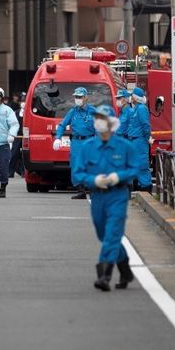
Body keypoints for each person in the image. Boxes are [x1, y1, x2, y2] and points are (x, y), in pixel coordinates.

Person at [70, 104, 138, 292]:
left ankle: (104, 275)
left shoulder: (125, 146)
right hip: (98, 196)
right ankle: (125, 270)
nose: (99, 122)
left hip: (117, 195)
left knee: (112, 233)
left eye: (103, 119)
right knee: (104, 234)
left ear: (111, 123)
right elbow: (78, 172)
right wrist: (93, 180)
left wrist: (118, 176)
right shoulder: (87, 147)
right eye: (97, 119)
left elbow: (135, 168)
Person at [53, 86, 97, 200]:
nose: (77, 99)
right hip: (77, 142)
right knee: (76, 165)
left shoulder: (93, 111)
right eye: (76, 97)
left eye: (80, 97)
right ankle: (81, 190)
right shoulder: (72, 112)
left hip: (90, 141)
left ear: (85, 97)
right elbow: (62, 125)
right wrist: (58, 138)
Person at [127, 87, 153, 192]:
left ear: (135, 97)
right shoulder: (136, 109)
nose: (130, 97)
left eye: (132, 95)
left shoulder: (141, 109)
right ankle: (143, 186)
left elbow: (146, 125)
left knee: (142, 164)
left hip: (140, 141)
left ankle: (146, 186)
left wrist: (147, 138)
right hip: (135, 141)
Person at [7, 92, 25, 178]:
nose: (23, 103)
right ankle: (10, 172)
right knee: (14, 153)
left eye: (25, 101)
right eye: (22, 101)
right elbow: (12, 124)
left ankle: (24, 172)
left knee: (25, 154)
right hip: (17, 135)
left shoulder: (29, 113)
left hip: (26, 135)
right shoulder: (16, 112)